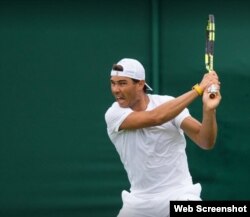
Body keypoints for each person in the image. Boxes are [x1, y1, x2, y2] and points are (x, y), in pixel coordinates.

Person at [104, 58, 221, 217]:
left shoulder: (168, 104)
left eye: (122, 83)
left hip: (180, 195)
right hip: (139, 203)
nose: (116, 89)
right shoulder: (114, 114)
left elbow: (205, 141)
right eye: (113, 83)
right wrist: (199, 89)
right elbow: (156, 117)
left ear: (140, 84)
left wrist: (209, 110)